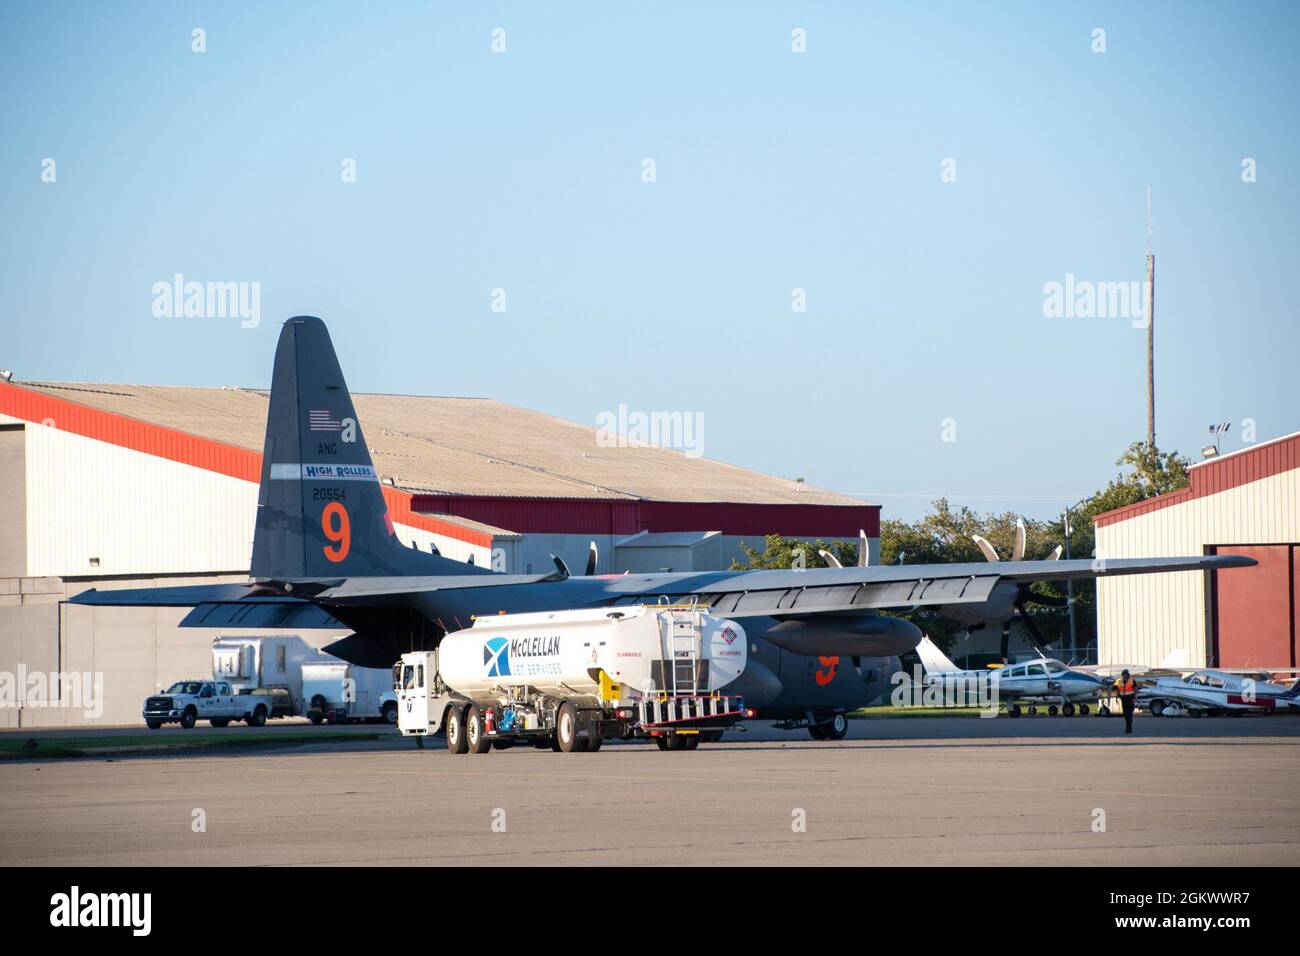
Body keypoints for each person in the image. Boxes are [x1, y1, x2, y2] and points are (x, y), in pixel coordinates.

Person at [1113, 669, 1137, 734]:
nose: (1125, 675)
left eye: (1126, 674)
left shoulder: (1132, 680)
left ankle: (1129, 728)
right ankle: (1128, 727)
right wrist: (1116, 697)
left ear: (1128, 675)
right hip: (1123, 699)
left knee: (1129, 714)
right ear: (1122, 675)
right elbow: (1117, 689)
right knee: (1125, 714)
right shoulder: (1119, 681)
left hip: (1130, 698)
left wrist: (1135, 697)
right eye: (1123, 674)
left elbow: (1135, 689)